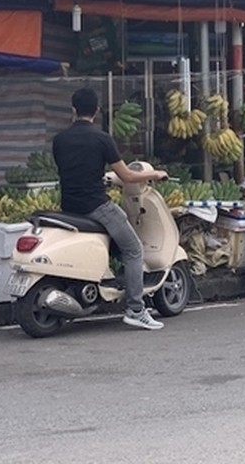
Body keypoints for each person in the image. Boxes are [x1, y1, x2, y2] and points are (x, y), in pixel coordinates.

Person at [52, 87, 168, 331]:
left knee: (120, 237)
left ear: (73, 110)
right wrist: (154, 173)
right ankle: (136, 309)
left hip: (69, 206)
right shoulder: (102, 138)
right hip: (95, 206)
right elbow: (126, 175)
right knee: (134, 249)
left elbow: (75, 170)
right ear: (96, 111)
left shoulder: (60, 139)